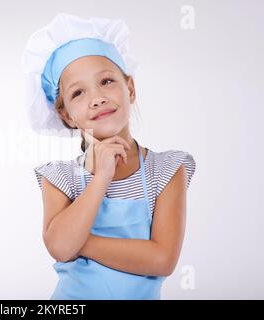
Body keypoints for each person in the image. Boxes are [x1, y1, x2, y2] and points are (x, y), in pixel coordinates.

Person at [21, 13, 196, 300]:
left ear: (130, 88)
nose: (97, 97)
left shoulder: (166, 170)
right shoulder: (59, 178)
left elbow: (162, 259)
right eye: (78, 93)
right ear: (66, 115)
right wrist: (101, 177)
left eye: (106, 81)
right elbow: (59, 246)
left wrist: (80, 242)